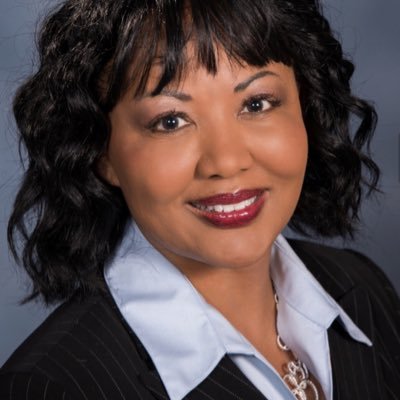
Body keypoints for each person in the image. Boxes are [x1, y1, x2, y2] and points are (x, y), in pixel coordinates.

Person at [0, 0, 399, 399]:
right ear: (101, 151)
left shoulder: (361, 286)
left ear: (305, 106)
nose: (226, 161)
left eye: (256, 103)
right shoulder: (52, 387)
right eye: (170, 121)